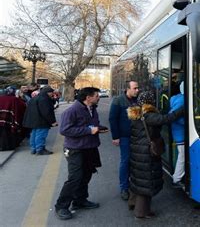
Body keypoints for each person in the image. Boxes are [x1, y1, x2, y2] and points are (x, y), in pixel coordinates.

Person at [126, 91, 183, 219]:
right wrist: (183, 108)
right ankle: (141, 212)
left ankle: (132, 203)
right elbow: (167, 119)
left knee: (138, 179)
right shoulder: (148, 116)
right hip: (147, 153)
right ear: (150, 102)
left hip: (138, 151)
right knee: (146, 181)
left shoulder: (136, 114)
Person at [54, 87, 106, 220]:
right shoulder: (72, 111)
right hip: (75, 149)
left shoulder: (92, 109)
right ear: (88, 97)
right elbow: (65, 130)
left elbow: (91, 125)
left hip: (89, 147)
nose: (98, 97)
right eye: (96, 96)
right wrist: (89, 131)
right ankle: (61, 206)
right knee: (75, 177)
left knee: (86, 174)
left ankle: (80, 200)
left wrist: (98, 129)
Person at [108, 81, 139, 200]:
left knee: (135, 161)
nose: (137, 90)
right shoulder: (118, 100)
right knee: (125, 162)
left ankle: (134, 185)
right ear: (127, 89)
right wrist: (115, 136)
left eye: (138, 88)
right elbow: (112, 119)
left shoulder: (137, 100)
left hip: (136, 136)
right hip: (125, 137)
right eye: (135, 88)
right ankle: (124, 188)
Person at [22, 86, 58, 155]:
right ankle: (40, 149)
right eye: (51, 92)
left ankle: (34, 149)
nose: (52, 94)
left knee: (34, 134)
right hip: (41, 121)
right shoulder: (45, 99)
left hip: (33, 120)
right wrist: (53, 121)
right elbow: (47, 112)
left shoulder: (35, 98)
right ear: (48, 92)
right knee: (41, 135)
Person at [170, 81, 185, 188]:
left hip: (178, 132)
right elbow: (173, 115)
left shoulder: (177, 97)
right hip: (181, 133)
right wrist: (188, 122)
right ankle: (177, 178)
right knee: (182, 156)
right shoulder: (183, 99)